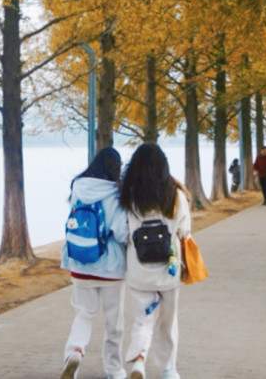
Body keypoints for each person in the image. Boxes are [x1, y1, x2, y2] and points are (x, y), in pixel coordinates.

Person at [120, 142, 191, 379]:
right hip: (168, 271)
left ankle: (139, 360)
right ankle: (169, 369)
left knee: (142, 319)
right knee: (168, 323)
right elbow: (184, 231)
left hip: (138, 270)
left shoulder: (129, 197)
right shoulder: (176, 196)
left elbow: (123, 233)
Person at [60, 147, 129, 379]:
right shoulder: (116, 194)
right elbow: (121, 232)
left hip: (79, 264)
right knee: (114, 323)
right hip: (110, 268)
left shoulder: (77, 188)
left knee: (84, 314)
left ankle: (74, 354)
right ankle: (114, 370)